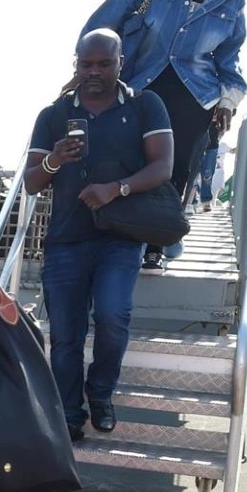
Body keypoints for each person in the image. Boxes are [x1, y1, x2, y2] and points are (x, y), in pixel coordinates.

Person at [25, 29, 174, 440]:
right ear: (75, 64)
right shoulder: (53, 114)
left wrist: (116, 188)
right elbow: (32, 182)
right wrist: (55, 159)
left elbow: (163, 167)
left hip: (119, 236)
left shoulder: (145, 105)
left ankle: (102, 393)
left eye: (103, 63)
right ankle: (69, 414)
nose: (94, 72)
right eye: (85, 64)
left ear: (119, 62)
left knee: (112, 315)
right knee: (66, 335)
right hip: (65, 239)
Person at [84, 0, 246, 269]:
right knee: (127, 154)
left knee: (175, 167)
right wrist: (89, 68)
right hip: (140, 81)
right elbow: (104, 21)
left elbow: (229, 57)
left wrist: (228, 100)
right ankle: (116, 232)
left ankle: (155, 241)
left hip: (194, 92)